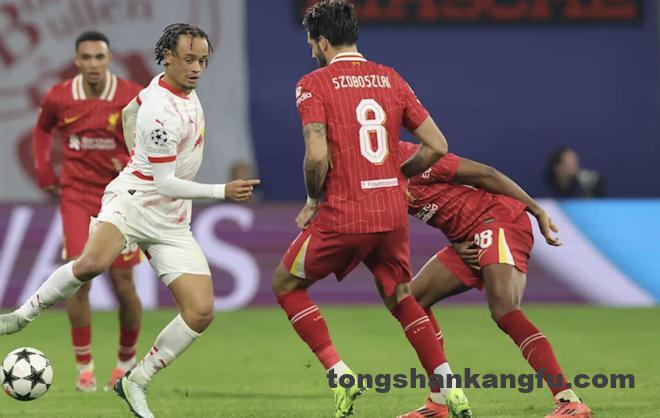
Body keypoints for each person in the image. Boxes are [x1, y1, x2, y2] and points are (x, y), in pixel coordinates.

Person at [1, 23, 259, 418]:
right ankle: (22, 317)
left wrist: (131, 150)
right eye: (189, 59)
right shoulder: (160, 113)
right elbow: (165, 183)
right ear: (168, 57)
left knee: (200, 312)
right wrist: (221, 191)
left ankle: (135, 380)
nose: (197, 68)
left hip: (171, 221)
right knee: (92, 264)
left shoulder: (164, 89)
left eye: (203, 61)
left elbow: (128, 111)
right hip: (134, 202)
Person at [271, 2, 471, 417]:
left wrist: (312, 200)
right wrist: (398, 173)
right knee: (400, 296)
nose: (311, 50)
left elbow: (316, 155)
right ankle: (449, 388)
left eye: (311, 43)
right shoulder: (390, 78)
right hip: (392, 213)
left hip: (346, 214)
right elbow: (438, 145)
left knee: (286, 284)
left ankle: (340, 374)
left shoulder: (313, 83)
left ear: (323, 41)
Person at [398, 141, 593, 418]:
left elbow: (486, 174)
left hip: (498, 218)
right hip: (467, 237)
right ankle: (439, 401)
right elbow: (444, 207)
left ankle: (568, 400)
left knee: (504, 308)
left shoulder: (417, 159)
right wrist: (457, 242)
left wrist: (536, 209)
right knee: (412, 300)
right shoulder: (377, 182)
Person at [32, 30, 143, 392]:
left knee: (124, 284)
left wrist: (127, 161)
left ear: (109, 59)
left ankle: (125, 362)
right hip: (77, 195)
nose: (93, 64)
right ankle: (85, 369)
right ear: (76, 61)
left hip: (119, 197)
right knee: (78, 279)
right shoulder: (59, 97)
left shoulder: (131, 96)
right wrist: (44, 170)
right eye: (87, 58)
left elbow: (148, 141)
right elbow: (42, 130)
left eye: (99, 57)